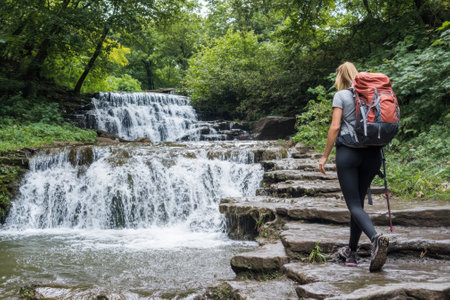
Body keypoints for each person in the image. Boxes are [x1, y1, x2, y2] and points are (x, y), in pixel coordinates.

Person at [318, 62, 389, 272]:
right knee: (358, 204)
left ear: (341, 76)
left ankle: (376, 238)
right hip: (373, 155)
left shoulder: (341, 95)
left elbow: (335, 126)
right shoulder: (373, 94)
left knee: (353, 204)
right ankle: (351, 251)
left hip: (348, 153)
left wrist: (324, 156)